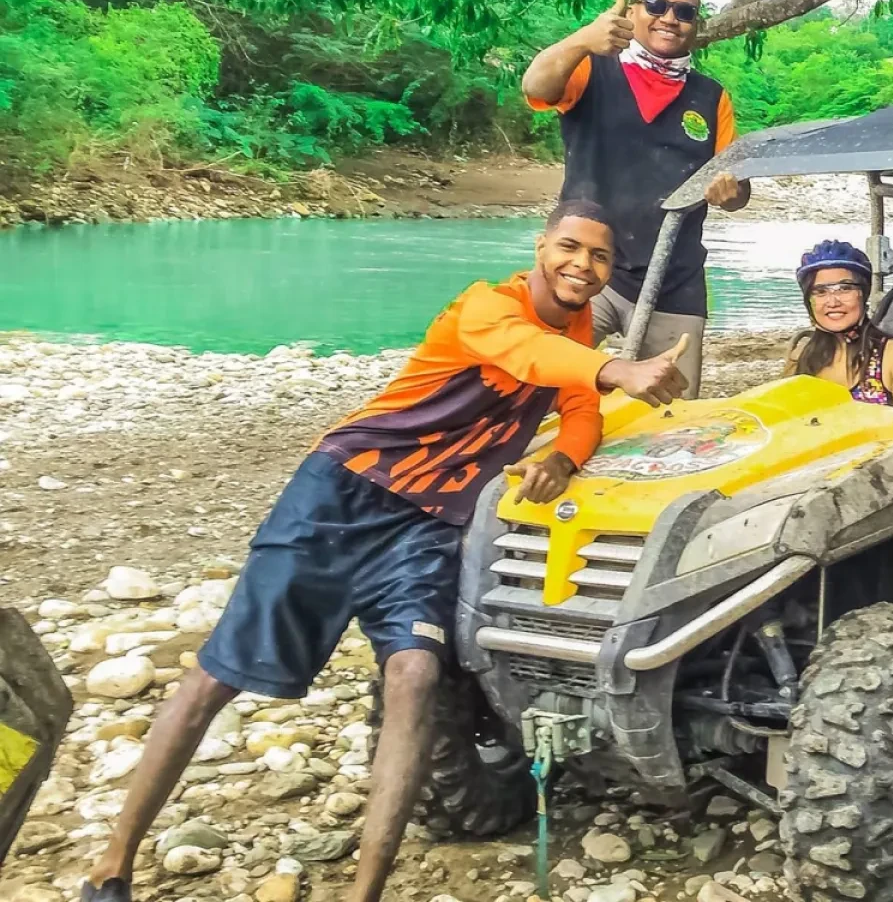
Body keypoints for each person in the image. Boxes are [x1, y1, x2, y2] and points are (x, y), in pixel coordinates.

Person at [81, 202, 688, 902]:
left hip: (428, 528)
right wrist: (619, 369)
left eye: (599, 258)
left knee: (413, 679)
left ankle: (365, 891)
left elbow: (578, 404)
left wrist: (564, 458)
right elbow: (535, 357)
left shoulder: (578, 329)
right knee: (220, 673)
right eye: (570, 248)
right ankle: (112, 863)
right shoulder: (486, 306)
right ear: (541, 247)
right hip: (343, 493)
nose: (582, 265)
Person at [522, 0, 749, 397]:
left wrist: (731, 192)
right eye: (657, 4)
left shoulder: (711, 97)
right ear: (631, 12)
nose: (670, 18)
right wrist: (582, 41)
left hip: (674, 279)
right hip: (583, 268)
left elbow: (737, 187)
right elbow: (536, 86)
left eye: (684, 12)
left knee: (668, 413)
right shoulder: (591, 69)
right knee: (536, 390)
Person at [783, 241, 893, 405]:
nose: (833, 302)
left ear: (863, 295)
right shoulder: (801, 358)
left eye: (845, 288)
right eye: (820, 292)